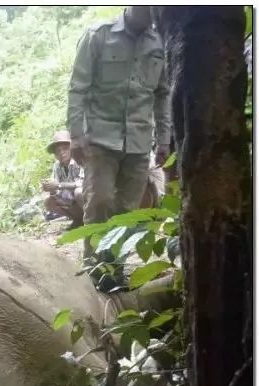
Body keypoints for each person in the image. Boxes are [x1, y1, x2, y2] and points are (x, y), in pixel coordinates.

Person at [67, 6, 171, 264]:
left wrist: (164, 139)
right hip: (100, 140)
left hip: (139, 141)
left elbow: (162, 94)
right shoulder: (98, 35)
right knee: (99, 202)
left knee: (128, 210)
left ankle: (115, 269)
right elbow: (78, 87)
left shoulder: (159, 43)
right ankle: (95, 268)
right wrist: (76, 135)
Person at [40, 130, 84, 228]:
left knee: (79, 192)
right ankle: (78, 219)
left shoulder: (80, 160)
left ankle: (93, 219)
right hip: (71, 201)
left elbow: (84, 183)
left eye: (65, 149)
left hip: (85, 199)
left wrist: (59, 185)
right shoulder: (57, 166)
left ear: (72, 149)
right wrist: (50, 188)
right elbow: (56, 188)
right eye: (58, 151)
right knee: (48, 201)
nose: (61, 153)